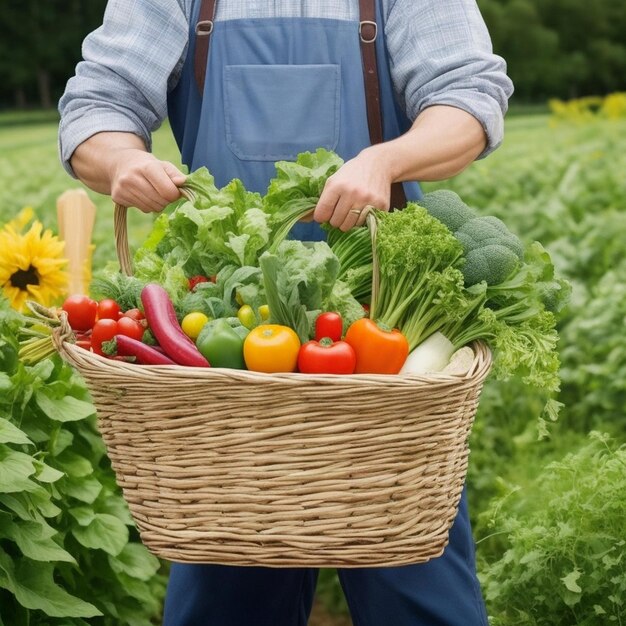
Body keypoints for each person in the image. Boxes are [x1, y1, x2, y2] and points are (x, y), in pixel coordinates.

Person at [58, 1, 513, 624]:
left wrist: (385, 160)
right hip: (223, 330)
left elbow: (469, 96)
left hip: (384, 333)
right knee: (225, 594)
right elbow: (98, 102)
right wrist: (121, 160)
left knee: (414, 587)